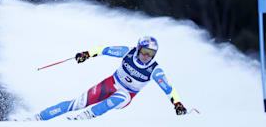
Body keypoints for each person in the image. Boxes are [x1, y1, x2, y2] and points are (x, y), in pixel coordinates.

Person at [31, 36, 187, 121]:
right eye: (145, 51)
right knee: (76, 103)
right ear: (139, 48)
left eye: (151, 54)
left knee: (119, 98)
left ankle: (81, 120)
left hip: (127, 95)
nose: (147, 56)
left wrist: (178, 104)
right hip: (111, 83)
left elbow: (169, 89)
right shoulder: (127, 52)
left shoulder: (155, 69)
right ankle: (39, 118)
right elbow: (104, 50)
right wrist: (87, 54)